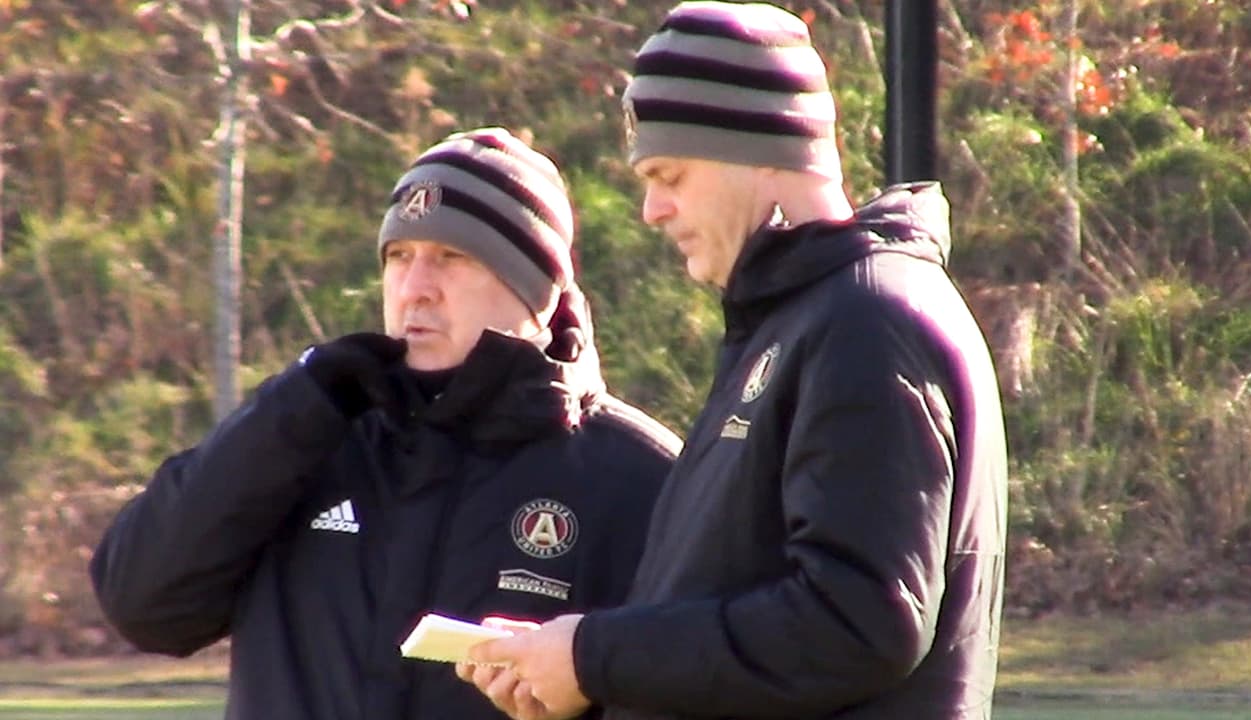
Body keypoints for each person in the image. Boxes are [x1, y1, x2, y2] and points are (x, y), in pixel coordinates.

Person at [460, 3, 1009, 719]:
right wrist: (577, 677)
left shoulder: (866, 322)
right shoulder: (797, 322)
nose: (652, 209)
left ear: (755, 151)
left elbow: (857, 625)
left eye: (670, 174)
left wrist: (594, 656)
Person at [90, 127, 681, 720]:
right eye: (400, 257)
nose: (415, 289)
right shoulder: (304, 436)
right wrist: (290, 410)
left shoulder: (640, 478)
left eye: (454, 257)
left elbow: (690, 690)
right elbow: (145, 607)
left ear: (537, 293)